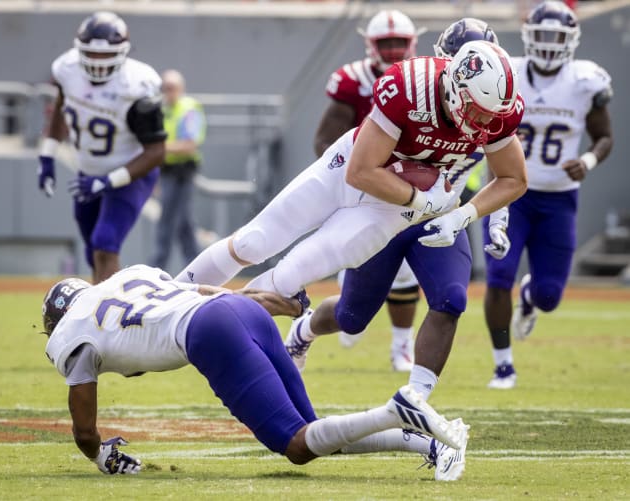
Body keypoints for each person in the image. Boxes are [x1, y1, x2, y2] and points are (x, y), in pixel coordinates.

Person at [175, 39, 527, 325]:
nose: (486, 123)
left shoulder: (498, 115)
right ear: (454, 87)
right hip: (354, 171)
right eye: (478, 110)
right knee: (255, 241)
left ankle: (215, 326)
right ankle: (169, 299)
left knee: (289, 277)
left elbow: (514, 178)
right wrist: (423, 203)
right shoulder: (410, 86)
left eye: (493, 114)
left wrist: (462, 215)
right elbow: (360, 171)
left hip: (391, 208)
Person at [40, 265, 469, 480]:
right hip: (236, 308)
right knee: (318, 434)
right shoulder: (126, 279)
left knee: (297, 447)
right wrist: (274, 304)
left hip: (208, 332)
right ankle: (424, 445)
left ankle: (396, 411)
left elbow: (83, 429)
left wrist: (100, 456)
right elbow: (208, 293)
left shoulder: (74, 333)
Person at [282, 19, 511, 410]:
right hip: (385, 206)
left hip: (442, 211)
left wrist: (490, 217)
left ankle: (414, 399)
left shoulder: (494, 102)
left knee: (452, 298)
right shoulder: (412, 89)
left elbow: (508, 172)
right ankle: (302, 330)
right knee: (351, 317)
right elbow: (359, 164)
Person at [483, 1, 613, 390]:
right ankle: (503, 365)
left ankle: (529, 296)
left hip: (559, 198)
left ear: (571, 39)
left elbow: (604, 136)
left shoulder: (585, 80)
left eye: (557, 37)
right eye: (542, 35)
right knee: (497, 275)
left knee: (549, 296)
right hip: (511, 192)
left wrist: (588, 160)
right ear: (527, 35)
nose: (549, 44)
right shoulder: (509, 73)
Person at [314, 9, 425, 371]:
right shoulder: (353, 81)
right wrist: (356, 179)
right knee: (356, 253)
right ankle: (349, 301)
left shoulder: (426, 79)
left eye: (398, 43)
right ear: (370, 45)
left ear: (412, 44)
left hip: (409, 183)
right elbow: (325, 140)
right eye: (385, 43)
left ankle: (401, 347)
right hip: (363, 182)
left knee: (407, 269)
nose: (393, 51)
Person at [37, 11, 167, 284]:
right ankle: (102, 309)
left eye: (105, 55)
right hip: (87, 173)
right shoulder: (67, 70)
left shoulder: (137, 84)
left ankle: (109, 321)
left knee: (105, 243)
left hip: (130, 172)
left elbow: (157, 152)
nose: (97, 62)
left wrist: (108, 181)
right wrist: (47, 155)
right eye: (91, 54)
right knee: (91, 251)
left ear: (123, 53)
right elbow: (62, 107)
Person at [149, 70, 207, 271]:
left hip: (183, 173)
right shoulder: (162, 110)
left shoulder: (188, 109)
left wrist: (160, 148)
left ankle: (187, 267)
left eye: (171, 88)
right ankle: (165, 268)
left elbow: (189, 144)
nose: (167, 92)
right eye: (164, 88)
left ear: (181, 89)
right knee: (173, 222)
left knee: (180, 222)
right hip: (166, 172)